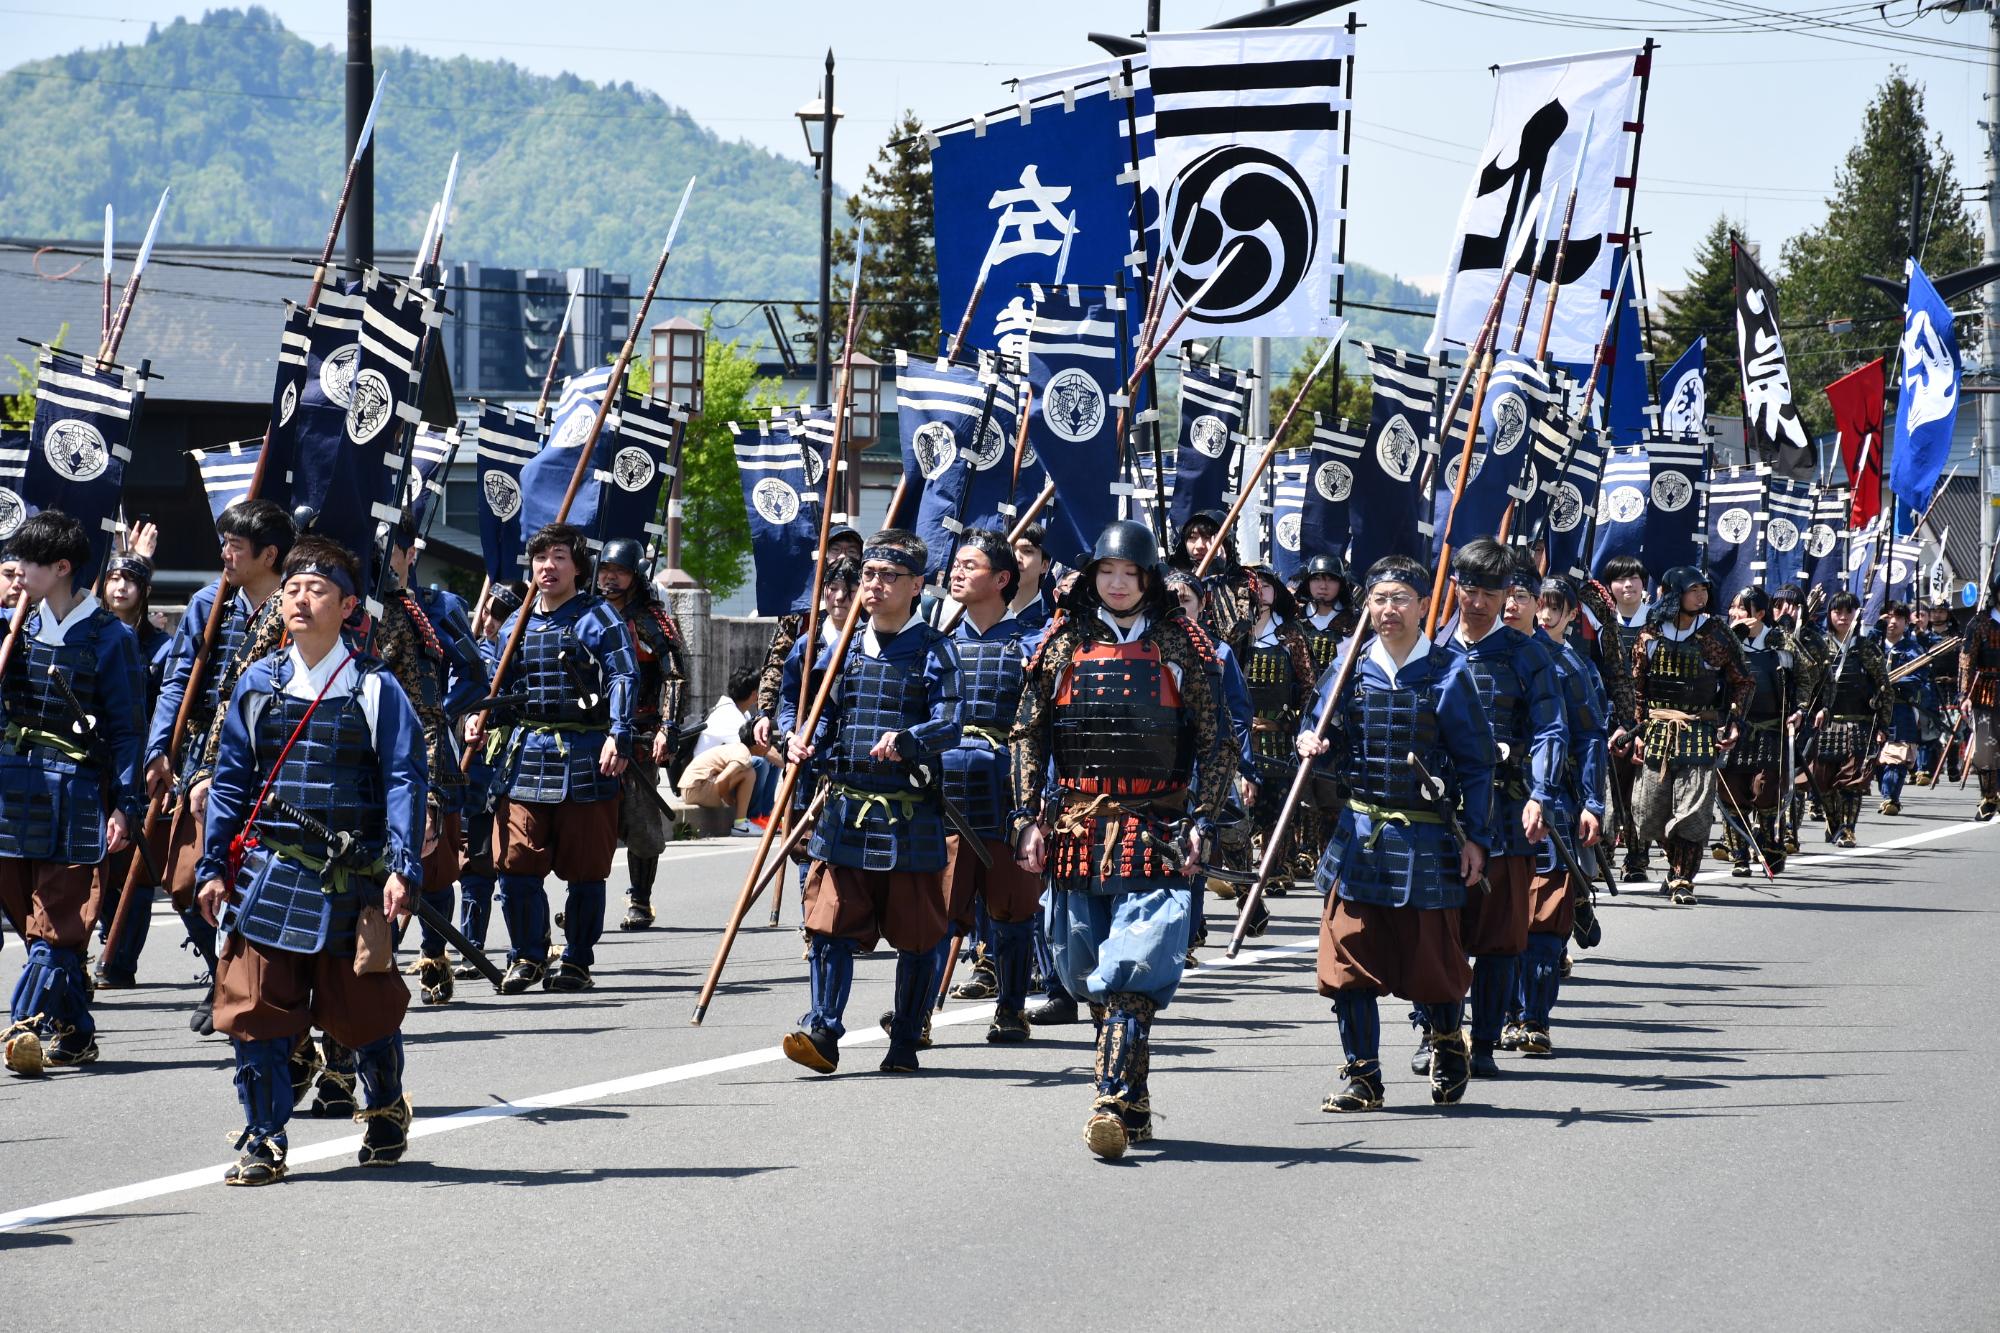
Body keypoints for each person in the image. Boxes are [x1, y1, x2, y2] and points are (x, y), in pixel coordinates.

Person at [194, 536, 426, 1185]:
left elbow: (406, 779)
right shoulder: (257, 684)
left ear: (351, 605)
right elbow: (233, 780)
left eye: (317, 587)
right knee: (256, 1012)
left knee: (365, 1012)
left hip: (353, 880)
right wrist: (213, 865)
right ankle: (264, 1138)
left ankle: (383, 1108)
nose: (299, 596)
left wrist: (405, 866)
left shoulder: (377, 688)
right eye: (292, 585)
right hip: (271, 873)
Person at [1011, 520, 1233, 1158]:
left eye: (1128, 574)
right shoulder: (1061, 640)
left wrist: (1203, 821)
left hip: (1155, 827)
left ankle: (1107, 1100)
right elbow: (1028, 734)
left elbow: (1216, 741)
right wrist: (1026, 818)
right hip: (1079, 828)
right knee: (1084, 972)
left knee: (1133, 968)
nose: (1115, 584)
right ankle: (1135, 1103)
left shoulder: (1183, 644)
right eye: (1106, 572)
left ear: (1146, 579)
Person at [1298, 554, 1495, 1113]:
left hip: (1426, 840)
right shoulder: (1349, 666)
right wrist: (1310, 740)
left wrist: (1476, 838)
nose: (1389, 610)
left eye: (1401, 599)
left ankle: (1446, 1042)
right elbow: (1318, 722)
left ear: (1423, 605)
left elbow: (1477, 764)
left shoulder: (1449, 672)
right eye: (1380, 599)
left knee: (1432, 964)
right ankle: (1363, 1077)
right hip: (1359, 835)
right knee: (1347, 961)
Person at [782, 529, 961, 1076]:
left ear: (916, 586)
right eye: (869, 575)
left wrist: (910, 740)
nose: (875, 585)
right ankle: (823, 1030)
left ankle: (905, 1037)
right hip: (845, 809)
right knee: (829, 922)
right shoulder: (840, 649)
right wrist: (796, 734)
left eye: (888, 577)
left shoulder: (935, 650)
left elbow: (951, 723)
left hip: (910, 813)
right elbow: (807, 705)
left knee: (918, 934)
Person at [0, 512, 146, 1076]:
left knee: (58, 924)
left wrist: (126, 804)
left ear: (61, 568)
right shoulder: (16, 627)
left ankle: (22, 1024)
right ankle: (78, 1032)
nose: (17, 576)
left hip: (78, 790)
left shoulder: (110, 638)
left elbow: (129, 728)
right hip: (15, 788)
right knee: (25, 911)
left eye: (26, 565)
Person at [465, 523, 637, 994]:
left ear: (577, 566)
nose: (548, 566)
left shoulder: (598, 618)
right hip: (525, 754)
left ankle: (578, 958)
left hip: (586, 755)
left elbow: (623, 676)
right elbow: (501, 685)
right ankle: (527, 955)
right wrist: (482, 718)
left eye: (559, 556)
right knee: (515, 860)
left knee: (585, 869)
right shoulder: (519, 621)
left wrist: (618, 735)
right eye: (541, 557)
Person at [144, 498, 295, 1033]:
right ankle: (220, 972)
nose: (225, 554)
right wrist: (159, 748)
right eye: (225, 543)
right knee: (187, 879)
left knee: (256, 880)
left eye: (236, 545)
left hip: (275, 761)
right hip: (208, 754)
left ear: (269, 554)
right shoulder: (210, 603)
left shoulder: (298, 607)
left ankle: (249, 985)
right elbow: (178, 681)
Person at [1438, 541, 1566, 1079]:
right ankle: (1438, 1035)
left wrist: (1541, 793)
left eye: (1494, 592)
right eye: (1471, 589)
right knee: (1436, 931)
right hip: (1438, 814)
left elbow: (1551, 729)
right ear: (1455, 588)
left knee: (1497, 938)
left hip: (1507, 812)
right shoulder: (1430, 648)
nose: (1481, 602)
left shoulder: (1527, 654)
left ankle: (1484, 1041)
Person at [934, 529, 1042, 1042]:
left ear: (1002, 579)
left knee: (1011, 910)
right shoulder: (936, 648)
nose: (956, 572)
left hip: (1008, 796)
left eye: (969, 565)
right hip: (946, 795)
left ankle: (1011, 1008)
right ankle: (914, 1019)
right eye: (955, 564)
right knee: (934, 909)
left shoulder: (1033, 646)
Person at [377, 522, 488, 1006]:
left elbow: (473, 670)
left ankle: (434, 954)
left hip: (427, 738)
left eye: (388, 550)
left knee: (435, 859)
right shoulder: (356, 608)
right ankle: (376, 960)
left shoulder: (440, 607)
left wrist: (447, 708)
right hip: (369, 744)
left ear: (409, 553)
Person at [1504, 575, 1606, 1057]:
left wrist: (1592, 801)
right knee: (1494, 918)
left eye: (1536, 602)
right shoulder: (1467, 655)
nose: (1527, 609)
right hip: (1491, 803)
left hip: (1553, 802)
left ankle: (1533, 1018)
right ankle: (1497, 1016)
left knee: (1544, 919)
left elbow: (1588, 738)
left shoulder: (1569, 665)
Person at [1623, 566, 1754, 902]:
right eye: (1694, 589)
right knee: (1649, 809)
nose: (1702, 596)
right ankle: (1672, 857)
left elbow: (1743, 680)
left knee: (1693, 810)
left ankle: (1683, 877)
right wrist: (1636, 729)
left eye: (1704, 590)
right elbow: (1636, 685)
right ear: (1673, 592)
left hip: (1698, 730)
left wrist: (1734, 720)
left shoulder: (1717, 633)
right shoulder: (1650, 634)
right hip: (1656, 731)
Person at [92, 527, 172, 988]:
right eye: (114, 578)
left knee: (134, 865)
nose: (120, 586)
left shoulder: (158, 648)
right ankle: (94, 945)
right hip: (94, 759)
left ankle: (120, 958)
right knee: (94, 857)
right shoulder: (93, 635)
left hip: (139, 761)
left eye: (131, 579)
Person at [596, 538, 689, 931]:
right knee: (588, 819)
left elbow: (674, 674)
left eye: (618, 571)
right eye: (604, 570)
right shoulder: (586, 613)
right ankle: (584, 897)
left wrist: (667, 726)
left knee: (639, 819)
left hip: (639, 733)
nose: (609, 578)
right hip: (591, 731)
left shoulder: (650, 619)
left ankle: (640, 898)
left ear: (636, 576)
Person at [454, 581, 522, 979]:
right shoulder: (467, 650)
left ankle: (529, 948)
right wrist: (466, 723)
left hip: (516, 762)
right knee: (473, 859)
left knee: (517, 864)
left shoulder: (521, 650)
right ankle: (470, 946)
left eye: (500, 614)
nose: (490, 620)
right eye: (488, 611)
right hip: (474, 767)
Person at [1237, 564, 1317, 889]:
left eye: (1266, 584)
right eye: (1253, 585)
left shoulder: (1291, 634)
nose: (1259, 590)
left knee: (1279, 803)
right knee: (1238, 809)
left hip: (1278, 735)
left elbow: (1310, 685)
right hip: (1240, 735)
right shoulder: (1235, 632)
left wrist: (1306, 727)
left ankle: (1276, 869)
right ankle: (1237, 873)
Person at [1720, 587, 1805, 877]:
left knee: (1766, 789)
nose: (1734, 614)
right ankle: (1739, 854)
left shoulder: (1783, 643)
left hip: (1770, 729)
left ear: (1759, 613)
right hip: (1734, 729)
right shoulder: (1724, 642)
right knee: (1732, 791)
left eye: (1741, 609)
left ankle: (1769, 844)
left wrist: (1800, 709)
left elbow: (1804, 679)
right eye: (1732, 608)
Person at [753, 525, 863, 743]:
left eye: (851, 551)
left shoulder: (867, 604)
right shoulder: (801, 606)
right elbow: (777, 661)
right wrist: (765, 712)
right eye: (836, 550)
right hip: (809, 715)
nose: (843, 556)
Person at [1809, 591, 1891, 847]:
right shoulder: (1820, 647)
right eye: (1837, 612)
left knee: (1852, 782)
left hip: (1859, 723)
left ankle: (1847, 829)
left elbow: (1884, 688)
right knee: (1823, 783)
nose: (1843, 617)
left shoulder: (1866, 648)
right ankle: (1834, 824)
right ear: (1830, 615)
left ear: (1856, 614)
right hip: (1826, 724)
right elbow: (1808, 685)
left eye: (1848, 612)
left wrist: (1882, 725)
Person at [1600, 555, 1651, 881]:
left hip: (1648, 724)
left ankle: (1636, 860)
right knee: (1606, 793)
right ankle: (1602, 858)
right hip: (1608, 724)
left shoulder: (1658, 624)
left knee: (1641, 797)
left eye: (1634, 577)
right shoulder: (1601, 626)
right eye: (1620, 579)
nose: (1628, 585)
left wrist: (1643, 726)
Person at [1874, 601, 1928, 816]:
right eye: (1888, 617)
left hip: (1900, 707)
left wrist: (1893, 681)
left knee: (1897, 755)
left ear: (1906, 622)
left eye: (1898, 617)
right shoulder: (1872, 645)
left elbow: (1918, 677)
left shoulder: (1913, 649)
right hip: (1873, 709)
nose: (1892, 622)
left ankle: (1891, 797)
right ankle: (1884, 791)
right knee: (1876, 757)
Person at [1168, 507, 1253, 645]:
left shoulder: (1242, 581)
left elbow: (1232, 634)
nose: (1200, 545)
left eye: (1207, 537)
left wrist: (1216, 578)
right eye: (1192, 538)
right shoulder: (1173, 579)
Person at [1959, 570, 2000, 819]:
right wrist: (1963, 694)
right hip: (1985, 690)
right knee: (1985, 748)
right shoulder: (1979, 623)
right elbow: (1966, 660)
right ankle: (1988, 796)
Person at [678, 738, 766, 832]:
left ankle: (743, 821)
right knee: (749, 773)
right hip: (696, 790)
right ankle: (740, 825)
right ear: (758, 743)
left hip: (691, 788)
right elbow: (721, 779)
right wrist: (727, 799)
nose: (770, 746)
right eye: (769, 741)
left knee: (742, 773)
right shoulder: (744, 754)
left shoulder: (736, 748)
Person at [1293, 553, 1358, 677]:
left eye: (1331, 579)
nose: (1323, 586)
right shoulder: (1293, 619)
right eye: (1316, 579)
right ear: (1307, 583)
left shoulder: (1355, 624)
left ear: (1341, 585)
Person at [1008, 523, 1054, 633]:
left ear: (1044, 566)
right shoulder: (983, 615)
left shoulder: (1051, 626)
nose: (1017, 558)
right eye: (1011, 550)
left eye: (1027, 551)